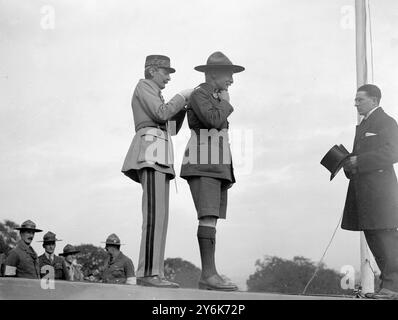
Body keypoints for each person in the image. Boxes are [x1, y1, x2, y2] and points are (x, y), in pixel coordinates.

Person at [121, 55, 192, 288]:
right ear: (152, 71)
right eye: (165, 71)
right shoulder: (143, 86)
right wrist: (181, 97)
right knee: (153, 217)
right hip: (150, 154)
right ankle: (148, 273)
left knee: (161, 218)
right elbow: (162, 114)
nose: (169, 77)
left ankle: (156, 273)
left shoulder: (155, 93)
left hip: (159, 156)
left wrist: (181, 108)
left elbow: (170, 128)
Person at [180, 51, 245, 291]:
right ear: (214, 74)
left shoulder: (213, 95)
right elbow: (213, 120)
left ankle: (209, 275)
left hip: (215, 164)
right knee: (207, 216)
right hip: (203, 162)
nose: (232, 80)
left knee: (212, 219)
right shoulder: (200, 93)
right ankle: (208, 275)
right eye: (229, 75)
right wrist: (226, 102)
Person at [342, 84, 398, 299]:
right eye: (355, 100)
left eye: (360, 100)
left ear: (374, 100)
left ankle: (392, 288)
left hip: (382, 192)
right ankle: (389, 287)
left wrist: (360, 160)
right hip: (365, 191)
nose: (355, 104)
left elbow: (393, 151)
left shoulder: (386, 122)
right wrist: (348, 164)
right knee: (375, 236)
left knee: (386, 237)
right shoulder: (364, 125)